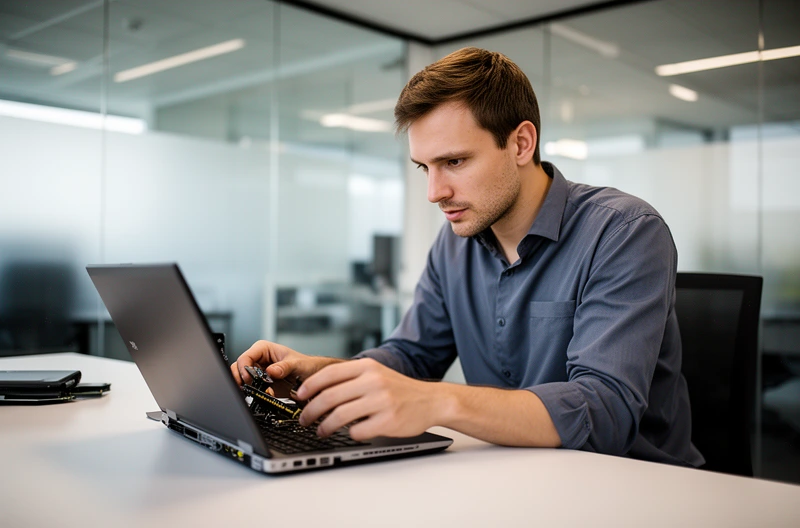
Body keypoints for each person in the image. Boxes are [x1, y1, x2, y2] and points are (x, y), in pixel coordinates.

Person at [233, 47, 704, 467]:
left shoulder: (623, 232)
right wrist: (320, 376)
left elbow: (603, 413)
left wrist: (439, 402)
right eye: (425, 167)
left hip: (634, 486)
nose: (435, 193)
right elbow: (411, 357)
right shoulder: (454, 241)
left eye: (454, 161)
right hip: (514, 474)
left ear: (521, 143)